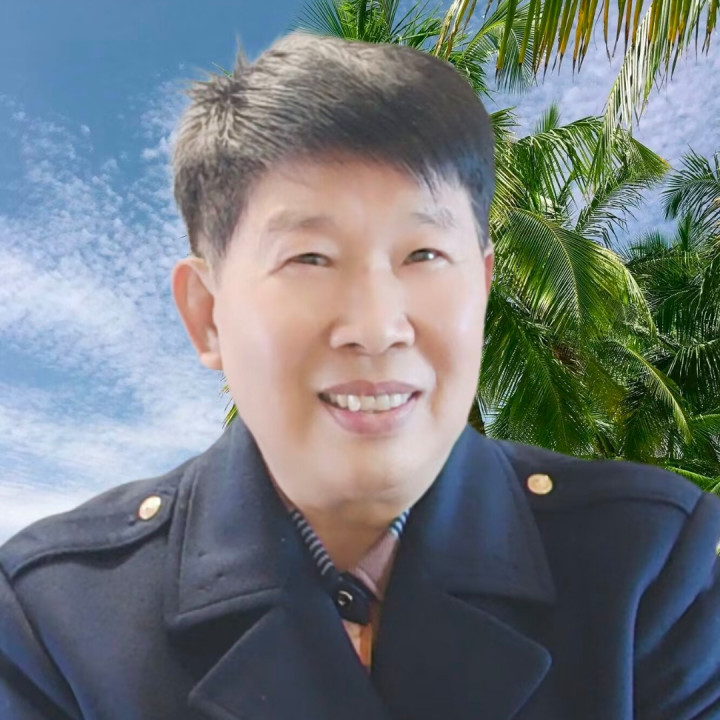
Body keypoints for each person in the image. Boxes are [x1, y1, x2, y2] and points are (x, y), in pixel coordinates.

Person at [1, 29, 719, 720]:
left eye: (424, 255)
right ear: (207, 313)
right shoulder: (52, 623)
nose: (377, 327)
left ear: (482, 288)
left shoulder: (652, 570)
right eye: (309, 258)